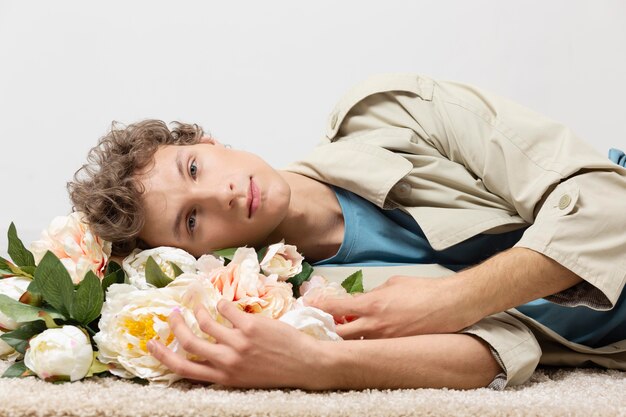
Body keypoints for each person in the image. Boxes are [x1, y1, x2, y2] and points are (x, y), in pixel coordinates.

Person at [68, 73, 626, 391]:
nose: (223, 194)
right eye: (192, 220)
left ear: (209, 143)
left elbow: (609, 207)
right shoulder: (297, 302)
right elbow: (502, 352)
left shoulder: (391, 115)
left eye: (194, 168)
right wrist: (320, 365)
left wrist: (454, 299)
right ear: (193, 257)